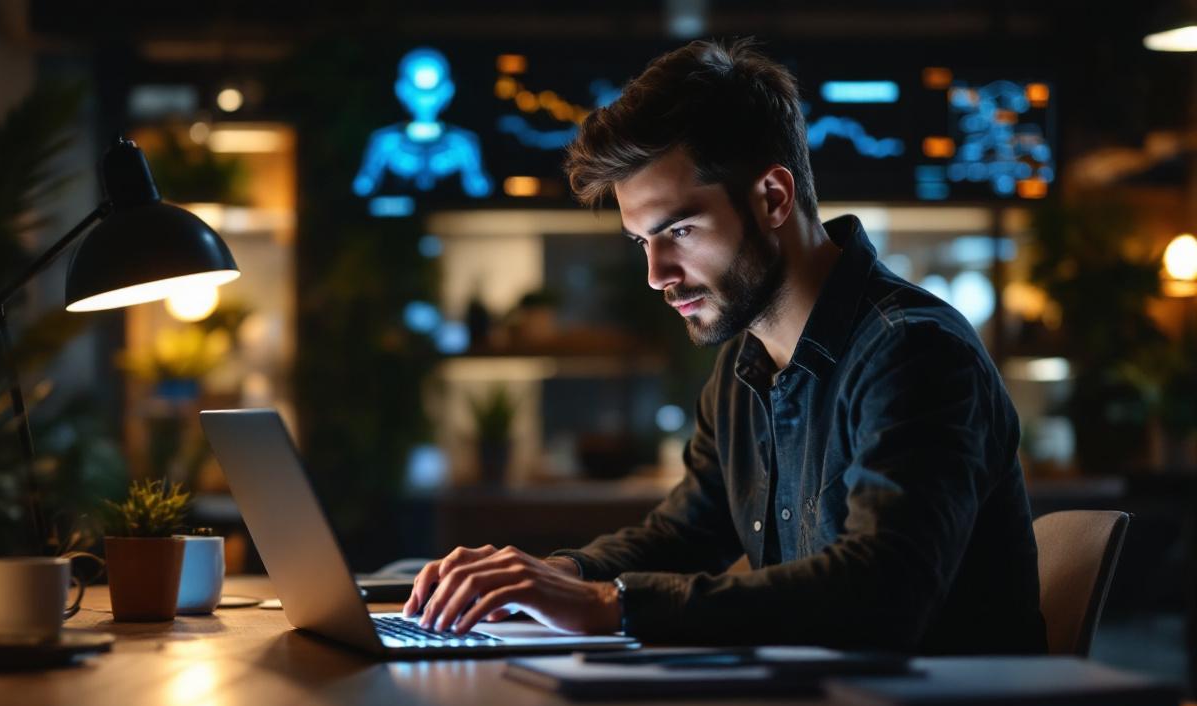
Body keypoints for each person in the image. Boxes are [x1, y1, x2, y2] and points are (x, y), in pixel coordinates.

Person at [403, 38, 1047, 654]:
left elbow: (883, 595)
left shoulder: (912, 352)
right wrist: (555, 576)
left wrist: (611, 606)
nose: (656, 273)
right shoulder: (743, 369)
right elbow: (687, 533)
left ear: (772, 197)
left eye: (679, 230)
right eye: (641, 242)